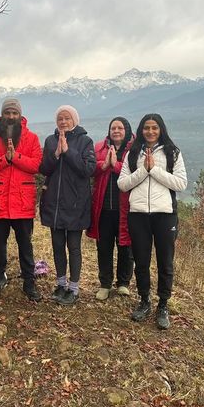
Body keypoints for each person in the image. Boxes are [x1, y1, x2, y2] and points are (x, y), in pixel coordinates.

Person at [118, 114, 187, 330]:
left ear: (161, 129)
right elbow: (122, 184)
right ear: (141, 130)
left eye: (154, 128)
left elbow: (181, 183)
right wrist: (143, 170)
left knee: (165, 262)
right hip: (138, 214)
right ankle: (145, 300)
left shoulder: (172, 152)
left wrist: (155, 170)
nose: (150, 131)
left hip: (165, 214)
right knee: (141, 261)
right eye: (146, 128)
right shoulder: (132, 153)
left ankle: (163, 305)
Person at [0, 97, 42, 301]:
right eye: (8, 113)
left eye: (15, 113)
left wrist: (16, 158)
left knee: (25, 243)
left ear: (20, 115)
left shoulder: (31, 138)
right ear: (2, 114)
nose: (11, 117)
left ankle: (29, 281)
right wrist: (4, 159)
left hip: (22, 201)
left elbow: (36, 165)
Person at [39, 106, 96, 305]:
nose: (63, 122)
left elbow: (88, 169)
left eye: (67, 118)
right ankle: (60, 284)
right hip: (54, 202)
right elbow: (44, 168)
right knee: (57, 246)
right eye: (60, 118)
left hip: (75, 203)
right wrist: (55, 154)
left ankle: (73, 288)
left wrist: (68, 152)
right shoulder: (50, 140)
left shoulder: (85, 141)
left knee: (73, 246)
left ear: (75, 120)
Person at [87, 117, 134, 300]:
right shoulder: (100, 147)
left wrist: (116, 166)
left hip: (127, 207)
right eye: (113, 128)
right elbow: (91, 169)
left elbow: (136, 173)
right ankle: (105, 284)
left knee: (126, 246)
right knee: (104, 247)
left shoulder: (134, 149)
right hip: (104, 207)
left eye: (120, 128)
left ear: (126, 130)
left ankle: (123, 283)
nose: (116, 131)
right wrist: (103, 165)